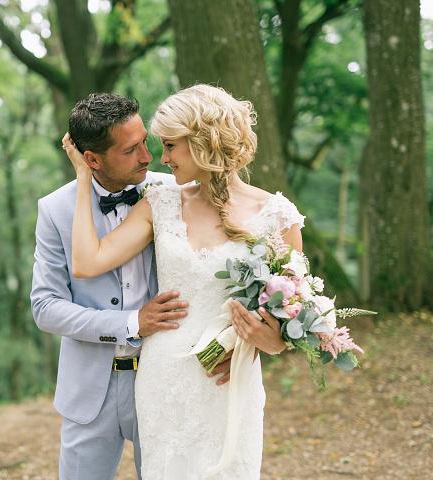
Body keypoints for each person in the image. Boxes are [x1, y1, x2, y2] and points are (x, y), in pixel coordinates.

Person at [62, 84, 305, 479]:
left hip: (229, 381)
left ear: (203, 142)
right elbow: (87, 262)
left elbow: (287, 326)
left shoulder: (278, 216)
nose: (161, 158)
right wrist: (82, 176)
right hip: (164, 381)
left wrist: (260, 342)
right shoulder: (160, 203)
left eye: (171, 145)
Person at [30, 93, 233, 480]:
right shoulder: (55, 209)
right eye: (130, 150)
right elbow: (46, 307)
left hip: (168, 378)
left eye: (145, 142)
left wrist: (231, 344)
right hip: (89, 390)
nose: (147, 156)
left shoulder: (175, 193)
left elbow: (216, 272)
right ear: (92, 160)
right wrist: (131, 322)